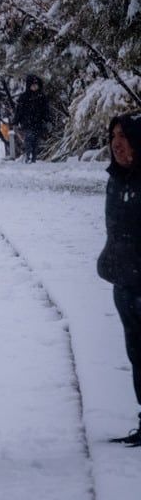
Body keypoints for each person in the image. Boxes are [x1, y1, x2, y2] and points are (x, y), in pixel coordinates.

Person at [98, 114, 141, 445]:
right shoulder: (116, 180)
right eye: (114, 135)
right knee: (136, 353)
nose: (117, 142)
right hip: (124, 281)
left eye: (124, 136)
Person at [12, 75, 50, 163]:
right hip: (27, 123)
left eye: (36, 85)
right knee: (29, 139)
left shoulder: (42, 97)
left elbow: (46, 111)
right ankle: (28, 155)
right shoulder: (24, 97)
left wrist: (47, 120)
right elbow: (19, 111)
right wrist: (15, 122)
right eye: (32, 85)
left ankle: (34, 157)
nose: (34, 87)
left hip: (38, 123)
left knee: (36, 141)